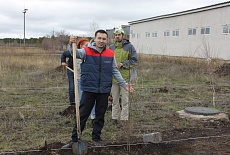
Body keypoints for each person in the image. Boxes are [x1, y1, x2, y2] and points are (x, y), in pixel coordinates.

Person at [61, 29, 134, 149]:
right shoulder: (86, 51)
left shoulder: (110, 53)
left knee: (100, 116)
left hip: (104, 90)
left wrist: (124, 84)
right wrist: (71, 44)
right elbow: (74, 53)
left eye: (104, 39)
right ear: (94, 39)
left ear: (107, 40)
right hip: (89, 89)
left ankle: (96, 139)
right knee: (83, 115)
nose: (101, 41)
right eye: (99, 38)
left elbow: (114, 70)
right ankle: (74, 139)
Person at [109, 27, 138, 128]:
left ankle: (124, 119)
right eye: (116, 35)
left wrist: (123, 64)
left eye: (119, 34)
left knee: (125, 100)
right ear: (114, 36)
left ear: (123, 35)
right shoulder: (111, 48)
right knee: (115, 100)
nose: (117, 36)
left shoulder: (129, 47)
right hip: (113, 78)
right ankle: (115, 118)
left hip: (125, 78)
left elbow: (134, 61)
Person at [61, 38, 95, 120]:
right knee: (74, 90)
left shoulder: (89, 54)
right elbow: (65, 54)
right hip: (75, 73)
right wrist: (63, 61)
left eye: (88, 45)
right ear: (80, 46)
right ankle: (75, 107)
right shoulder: (75, 53)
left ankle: (93, 116)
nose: (87, 46)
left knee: (91, 98)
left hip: (87, 78)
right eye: (85, 45)